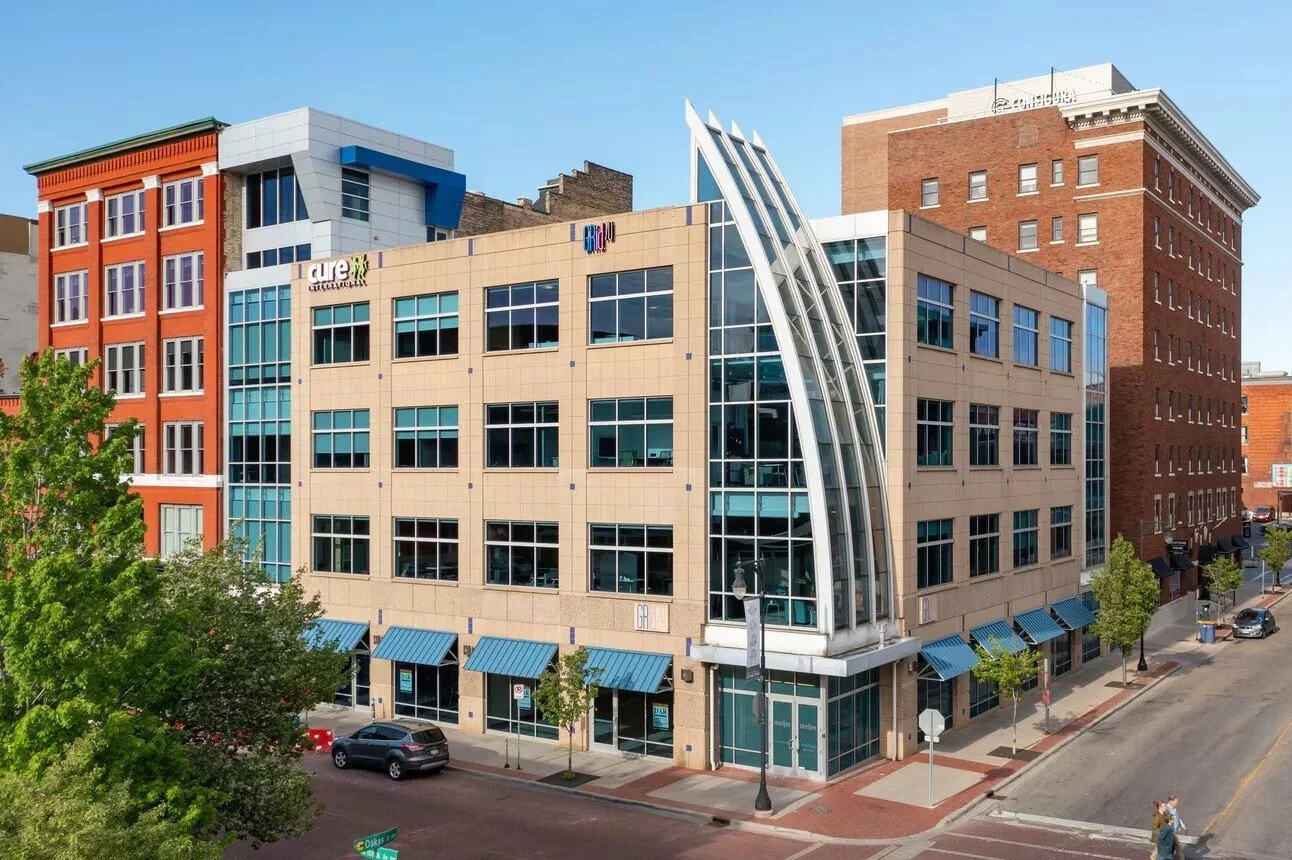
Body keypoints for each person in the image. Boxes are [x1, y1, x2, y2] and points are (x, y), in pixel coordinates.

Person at [1166, 795, 1186, 859]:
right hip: (1170, 832)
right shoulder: (1167, 809)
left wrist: (1183, 826)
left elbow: (1178, 817)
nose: (1178, 803)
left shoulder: (1174, 808)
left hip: (1174, 831)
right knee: (1174, 847)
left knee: (1173, 847)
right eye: (1176, 802)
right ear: (1171, 801)